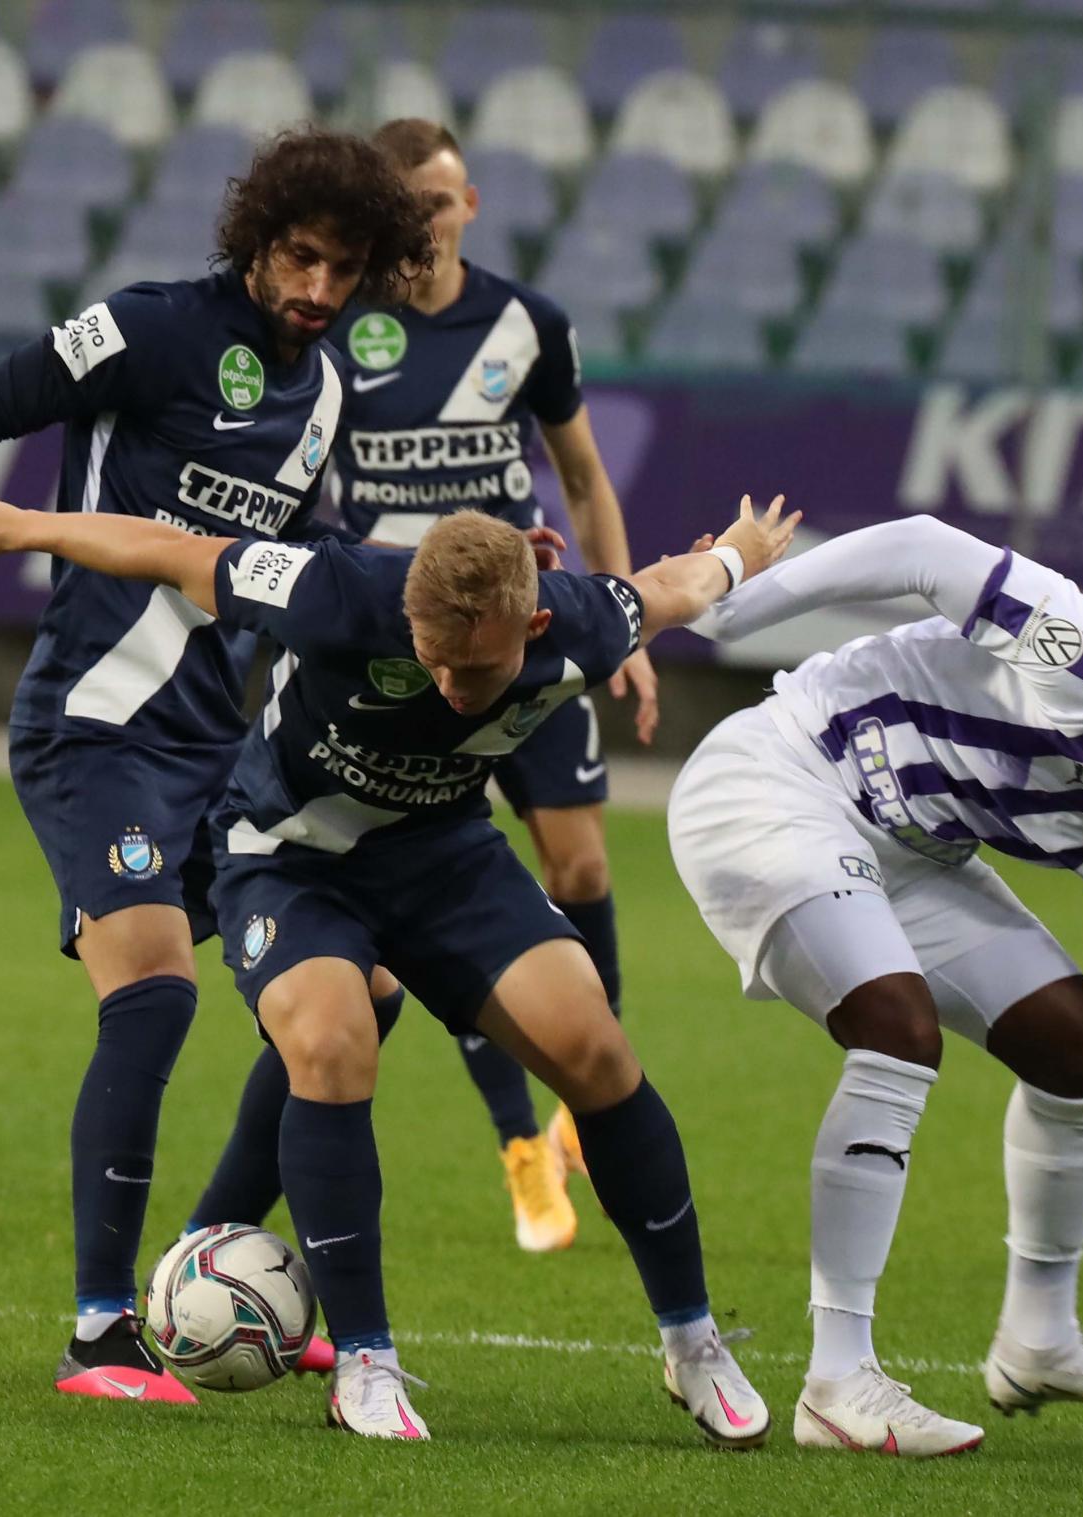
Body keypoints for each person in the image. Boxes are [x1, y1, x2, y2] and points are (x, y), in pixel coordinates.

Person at [0, 490, 798, 1443]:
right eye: (433, 659)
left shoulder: (582, 618)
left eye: (479, 667)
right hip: (287, 858)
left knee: (594, 1046)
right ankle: (367, 1363)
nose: (454, 686)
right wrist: (19, 527)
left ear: (536, 622)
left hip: (445, 857)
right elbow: (165, 549)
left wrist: (746, 551)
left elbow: (675, 583)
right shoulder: (335, 589)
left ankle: (694, 1341)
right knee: (334, 1039)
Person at [0, 128, 433, 1402]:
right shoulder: (152, 328)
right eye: (302, 257)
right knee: (159, 993)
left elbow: (298, 566)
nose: (322, 289)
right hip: (95, 725)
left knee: (368, 989)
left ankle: (208, 1257)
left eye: (348, 269)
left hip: (215, 744)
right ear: (257, 236)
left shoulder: (330, 390)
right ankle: (98, 1331)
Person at [667, 513, 1083, 1455]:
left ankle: (1040, 1335)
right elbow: (923, 548)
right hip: (782, 775)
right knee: (896, 1024)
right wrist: (737, 606)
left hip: (911, 849)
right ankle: (837, 1378)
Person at [186, 119, 654, 1256]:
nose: (432, 220)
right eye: (415, 203)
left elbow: (584, 474)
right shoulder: (342, 326)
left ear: (470, 205)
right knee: (418, 909)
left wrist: (621, 610)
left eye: (445, 201)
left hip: (516, 627)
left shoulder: (526, 323)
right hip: (393, 648)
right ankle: (518, 1147)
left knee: (580, 862)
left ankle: (577, 1096)